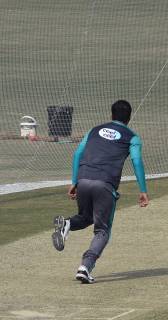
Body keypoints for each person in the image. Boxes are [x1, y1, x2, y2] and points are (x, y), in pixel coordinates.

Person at [52, 100, 149, 284]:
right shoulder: (132, 137)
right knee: (102, 230)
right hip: (104, 185)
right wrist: (143, 190)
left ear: (111, 115)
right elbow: (136, 161)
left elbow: (77, 154)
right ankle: (85, 267)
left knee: (86, 217)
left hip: (83, 180)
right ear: (129, 118)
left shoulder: (94, 130)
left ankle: (66, 224)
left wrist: (74, 182)